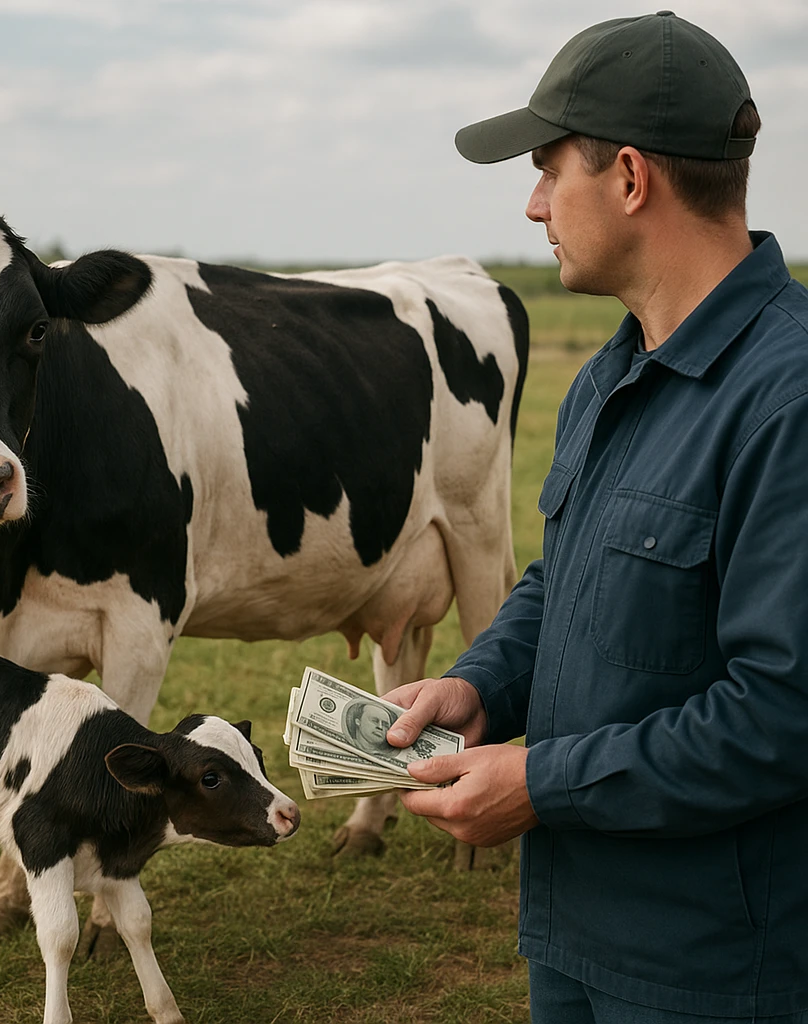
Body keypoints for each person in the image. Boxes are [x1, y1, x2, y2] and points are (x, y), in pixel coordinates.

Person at [384, 12, 808, 1024]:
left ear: (628, 178)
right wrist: (479, 686)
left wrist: (543, 783)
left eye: (546, 170)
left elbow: (781, 714)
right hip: (574, 931)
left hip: (712, 970)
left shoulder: (787, 401)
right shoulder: (613, 371)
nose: (533, 204)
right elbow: (564, 580)